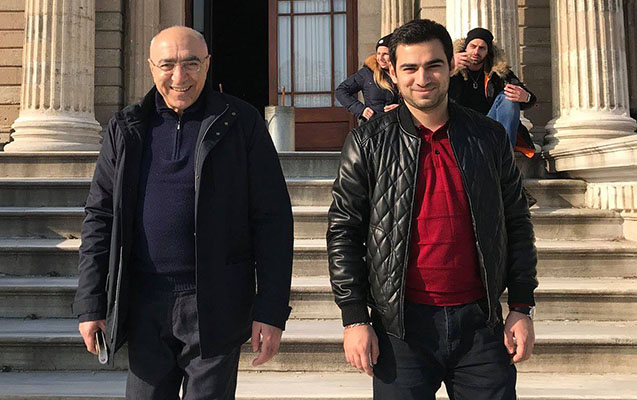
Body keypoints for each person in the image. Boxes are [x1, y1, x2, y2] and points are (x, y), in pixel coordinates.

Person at [73, 26, 294, 399]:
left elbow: (273, 220)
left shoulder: (240, 122)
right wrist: (91, 303)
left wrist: (271, 311)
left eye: (191, 63)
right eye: (167, 65)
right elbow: (100, 217)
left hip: (216, 303)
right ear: (151, 67)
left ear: (207, 64)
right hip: (143, 302)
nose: (180, 76)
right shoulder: (126, 128)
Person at [327, 19, 538, 400]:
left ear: (451, 66)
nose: (422, 78)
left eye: (433, 65)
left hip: (481, 324)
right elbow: (344, 230)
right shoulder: (368, 141)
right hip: (401, 328)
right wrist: (354, 318)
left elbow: (516, 222)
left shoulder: (488, 137)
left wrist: (521, 306)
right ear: (393, 72)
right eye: (410, 68)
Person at [449, 27, 536, 156]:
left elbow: (529, 97)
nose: (476, 52)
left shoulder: (497, 72)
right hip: (460, 128)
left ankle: (504, 155)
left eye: (482, 48)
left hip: (489, 127)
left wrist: (526, 97)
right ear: (465, 48)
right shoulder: (450, 69)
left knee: (508, 97)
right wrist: (449, 67)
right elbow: (434, 89)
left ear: (488, 51)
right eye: (473, 46)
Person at [335, 34, 400, 122]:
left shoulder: (403, 73)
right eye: (378, 53)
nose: (380, 58)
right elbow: (341, 91)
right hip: (373, 126)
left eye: (385, 54)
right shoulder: (367, 73)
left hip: (398, 124)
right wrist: (361, 110)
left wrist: (401, 108)